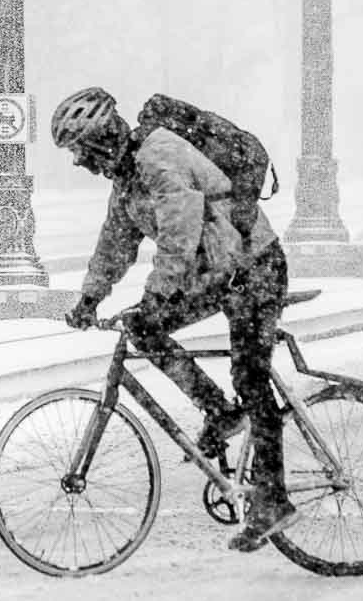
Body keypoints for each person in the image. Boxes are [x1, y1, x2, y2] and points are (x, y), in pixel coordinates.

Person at [51, 86, 298, 552]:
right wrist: (90, 297)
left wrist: (157, 295)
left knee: (251, 377)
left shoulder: (158, 156)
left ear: (102, 137)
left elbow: (179, 237)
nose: (81, 163)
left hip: (254, 269)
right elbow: (116, 242)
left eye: (81, 150)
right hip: (220, 275)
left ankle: (274, 500)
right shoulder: (127, 178)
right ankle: (221, 412)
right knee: (144, 327)